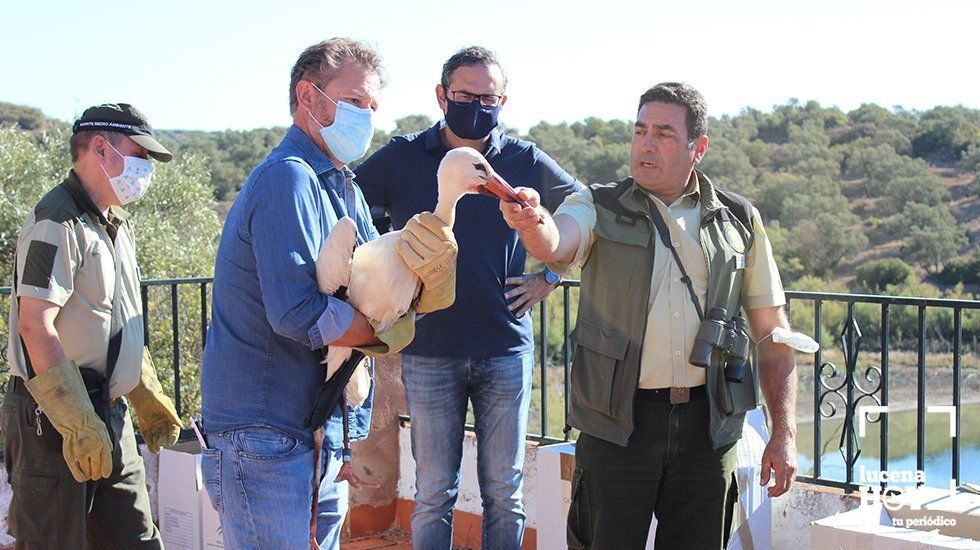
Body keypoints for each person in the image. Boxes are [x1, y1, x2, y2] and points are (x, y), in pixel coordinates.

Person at [499, 82, 799, 550]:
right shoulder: (599, 204)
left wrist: (784, 434)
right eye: (640, 131)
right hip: (618, 425)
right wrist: (533, 224)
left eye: (663, 133)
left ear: (698, 148)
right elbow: (558, 241)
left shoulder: (738, 219)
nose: (646, 144)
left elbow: (773, 334)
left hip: (709, 427)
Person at [199, 38, 457, 549]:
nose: (366, 115)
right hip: (264, 432)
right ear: (308, 96)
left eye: (372, 106)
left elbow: (370, 290)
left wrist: (424, 291)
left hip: (311, 427)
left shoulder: (343, 186)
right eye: (354, 100)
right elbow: (299, 313)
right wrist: (385, 333)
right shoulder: (286, 181)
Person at [355, 46, 582, 549]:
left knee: (506, 491)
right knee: (434, 492)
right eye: (464, 94)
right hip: (428, 351)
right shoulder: (402, 156)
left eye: (489, 97)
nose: (477, 105)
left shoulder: (522, 160)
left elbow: (585, 213)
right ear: (441, 96)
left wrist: (550, 276)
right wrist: (381, 271)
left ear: (503, 100)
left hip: (505, 348)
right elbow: (342, 204)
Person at [3, 103, 181, 549]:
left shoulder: (116, 224)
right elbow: (35, 325)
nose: (144, 169)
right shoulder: (55, 221)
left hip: (109, 412)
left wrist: (142, 391)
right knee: (53, 542)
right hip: (55, 419)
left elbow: (116, 318)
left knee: (136, 539)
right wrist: (77, 422)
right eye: (138, 154)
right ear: (100, 148)